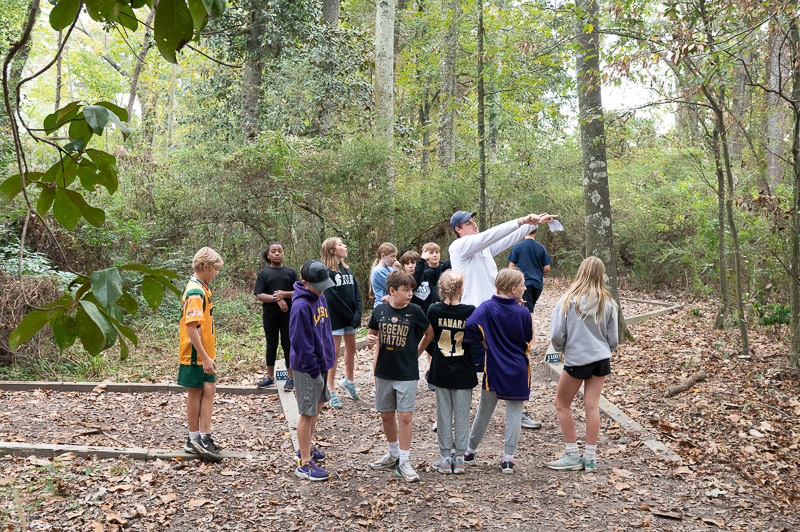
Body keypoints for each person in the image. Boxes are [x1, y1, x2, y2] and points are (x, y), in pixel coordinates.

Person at [448, 210, 556, 430]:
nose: (474, 225)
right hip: (472, 318)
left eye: (474, 221)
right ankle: (450, 415)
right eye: (468, 224)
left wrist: (533, 224)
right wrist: (521, 220)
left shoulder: (483, 249)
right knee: (461, 368)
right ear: (458, 230)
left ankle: (518, 410)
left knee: (507, 363)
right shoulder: (459, 247)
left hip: (493, 317)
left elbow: (505, 238)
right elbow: (489, 235)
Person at [546, 257, 618, 473]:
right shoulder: (609, 302)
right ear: (601, 274)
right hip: (600, 359)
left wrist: (560, 349)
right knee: (592, 406)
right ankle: (591, 458)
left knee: (561, 403)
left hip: (577, 359)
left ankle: (571, 455)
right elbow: (613, 339)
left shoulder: (568, 300)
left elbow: (557, 334)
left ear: (581, 272)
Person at [462, 268, 531, 475]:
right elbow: (527, 336)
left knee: (484, 410)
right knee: (515, 414)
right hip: (518, 369)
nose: (525, 288)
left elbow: (469, 328)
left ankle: (470, 451)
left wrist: (485, 341)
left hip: (493, 367)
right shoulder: (523, 312)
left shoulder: (486, 308)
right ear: (513, 289)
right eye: (522, 285)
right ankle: (508, 460)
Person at [366, 270, 434, 482]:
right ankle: (393, 453)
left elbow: (429, 333)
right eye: (406, 290)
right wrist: (369, 340)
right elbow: (372, 334)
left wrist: (417, 353)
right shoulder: (380, 311)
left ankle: (404, 460)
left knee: (405, 416)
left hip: (407, 373)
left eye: (411, 289)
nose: (410, 294)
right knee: (386, 415)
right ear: (392, 291)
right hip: (384, 372)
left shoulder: (415, 311)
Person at [290, 260, 337, 481]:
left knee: (316, 407)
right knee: (307, 412)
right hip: (307, 367)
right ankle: (305, 463)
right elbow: (300, 343)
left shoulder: (320, 297)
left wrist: (328, 359)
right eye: (317, 285)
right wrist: (312, 369)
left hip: (321, 363)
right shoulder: (300, 306)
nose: (321, 288)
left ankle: (306, 447)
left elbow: (325, 329)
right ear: (305, 282)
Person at [426, 270, 476, 474]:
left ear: (442, 289)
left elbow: (429, 337)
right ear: (461, 289)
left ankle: (446, 458)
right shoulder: (471, 311)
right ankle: (460, 458)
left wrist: (436, 353)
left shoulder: (433, 310)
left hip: (441, 369)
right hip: (464, 370)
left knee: (444, 414)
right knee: (463, 415)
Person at [178, 247, 224, 462]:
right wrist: (204, 357)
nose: (216, 273)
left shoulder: (203, 288)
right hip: (196, 354)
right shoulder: (195, 291)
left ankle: (204, 436)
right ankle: (194, 438)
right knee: (196, 391)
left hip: (206, 352)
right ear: (205, 267)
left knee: (209, 389)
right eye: (214, 269)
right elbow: (191, 328)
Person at [320, 237, 362, 406]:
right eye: (340, 244)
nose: (345, 246)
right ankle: (330, 389)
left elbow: (357, 293)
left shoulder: (347, 270)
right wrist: (349, 315)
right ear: (332, 251)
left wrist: (357, 314)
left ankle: (349, 382)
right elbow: (332, 297)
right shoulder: (326, 272)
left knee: (351, 350)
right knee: (334, 353)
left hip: (350, 319)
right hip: (336, 320)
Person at [253, 242, 298, 391]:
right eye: (273, 251)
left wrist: (284, 294)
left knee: (288, 344)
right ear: (268, 255)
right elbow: (259, 294)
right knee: (271, 345)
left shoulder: (290, 272)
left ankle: (291, 378)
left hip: (288, 315)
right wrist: (276, 299)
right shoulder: (263, 274)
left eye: (280, 251)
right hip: (270, 315)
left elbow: (298, 291)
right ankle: (269, 377)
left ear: (283, 254)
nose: (277, 253)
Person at [412, 242, 452, 314]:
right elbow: (413, 282)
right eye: (431, 253)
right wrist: (421, 260)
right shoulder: (421, 270)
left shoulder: (446, 267)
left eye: (437, 252)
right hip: (425, 311)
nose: (435, 255)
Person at [370, 242, 398, 308]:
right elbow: (396, 286)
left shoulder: (390, 269)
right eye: (392, 256)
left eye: (395, 256)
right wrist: (396, 270)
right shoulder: (378, 271)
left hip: (391, 305)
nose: (395, 259)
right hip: (382, 306)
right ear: (383, 256)